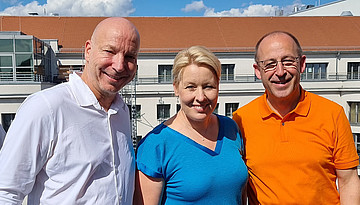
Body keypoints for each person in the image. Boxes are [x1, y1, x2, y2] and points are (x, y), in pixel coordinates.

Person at [0, 17, 140, 204]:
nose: (119, 65)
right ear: (88, 51)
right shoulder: (46, 108)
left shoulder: (121, 111)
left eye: (129, 56)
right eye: (110, 51)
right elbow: (6, 192)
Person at [233, 31, 360, 205]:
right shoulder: (241, 119)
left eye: (288, 61)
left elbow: (349, 181)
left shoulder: (332, 114)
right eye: (270, 64)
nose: (280, 72)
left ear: (301, 64)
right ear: (258, 71)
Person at [134, 46, 248, 205]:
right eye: (191, 87)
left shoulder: (231, 129)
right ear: (176, 88)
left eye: (208, 86)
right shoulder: (156, 144)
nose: (200, 97)